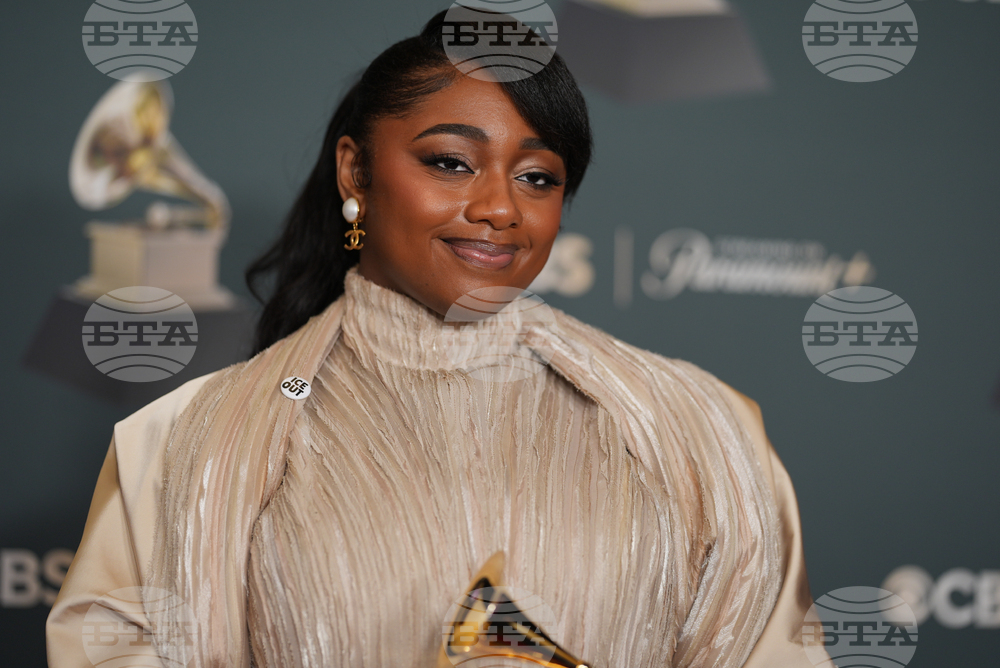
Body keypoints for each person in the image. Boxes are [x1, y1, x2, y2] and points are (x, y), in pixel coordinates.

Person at [47, 9, 824, 668]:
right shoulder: (195, 439)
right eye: (450, 162)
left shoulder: (697, 425)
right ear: (356, 172)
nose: (498, 207)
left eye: (538, 177)